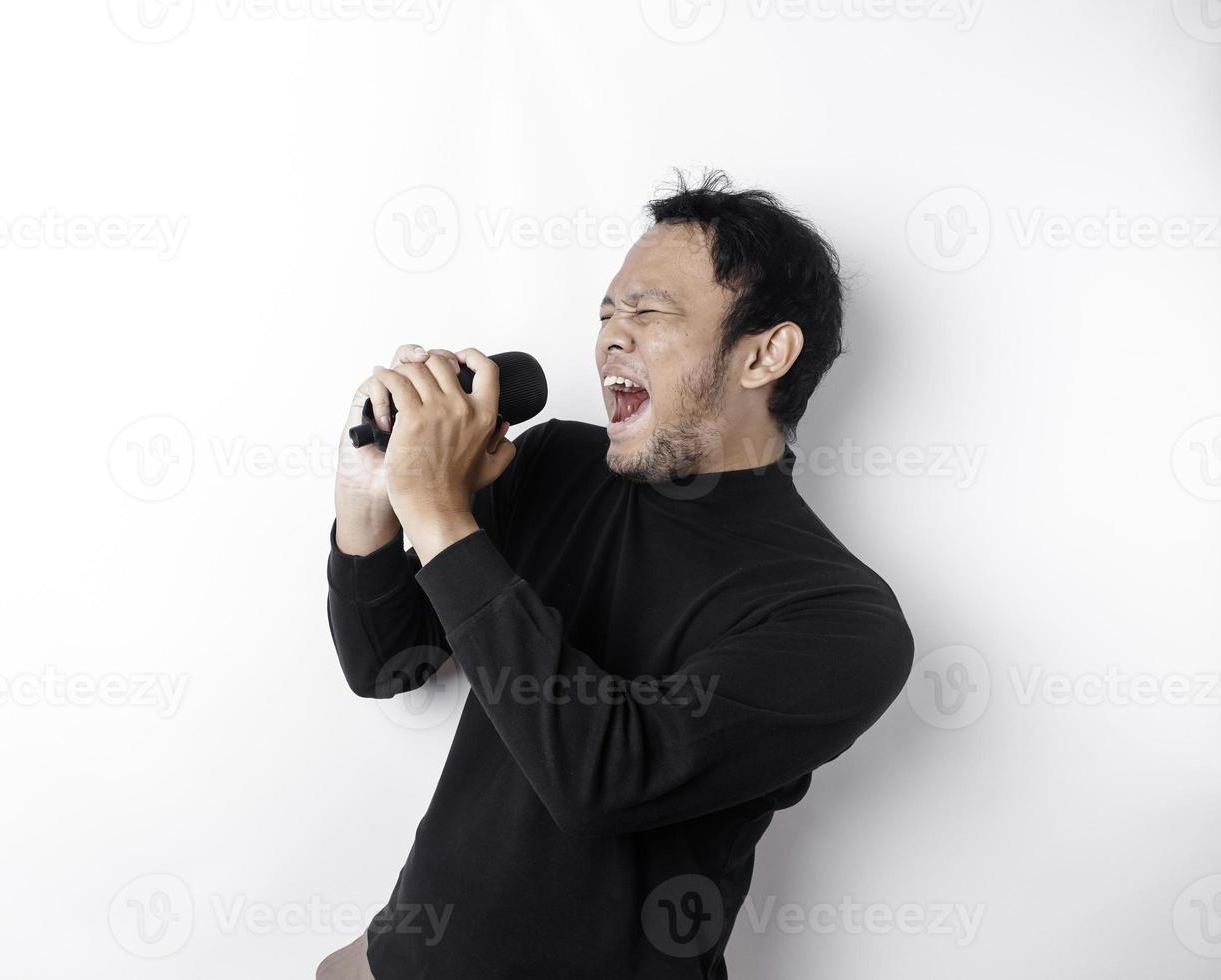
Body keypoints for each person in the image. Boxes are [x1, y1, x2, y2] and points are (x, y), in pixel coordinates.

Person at [320, 171, 914, 979]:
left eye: (648, 313)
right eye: (605, 314)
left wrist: (437, 510)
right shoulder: (556, 464)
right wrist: (371, 500)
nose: (609, 339)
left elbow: (601, 782)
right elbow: (386, 662)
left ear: (765, 353)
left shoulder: (840, 620)